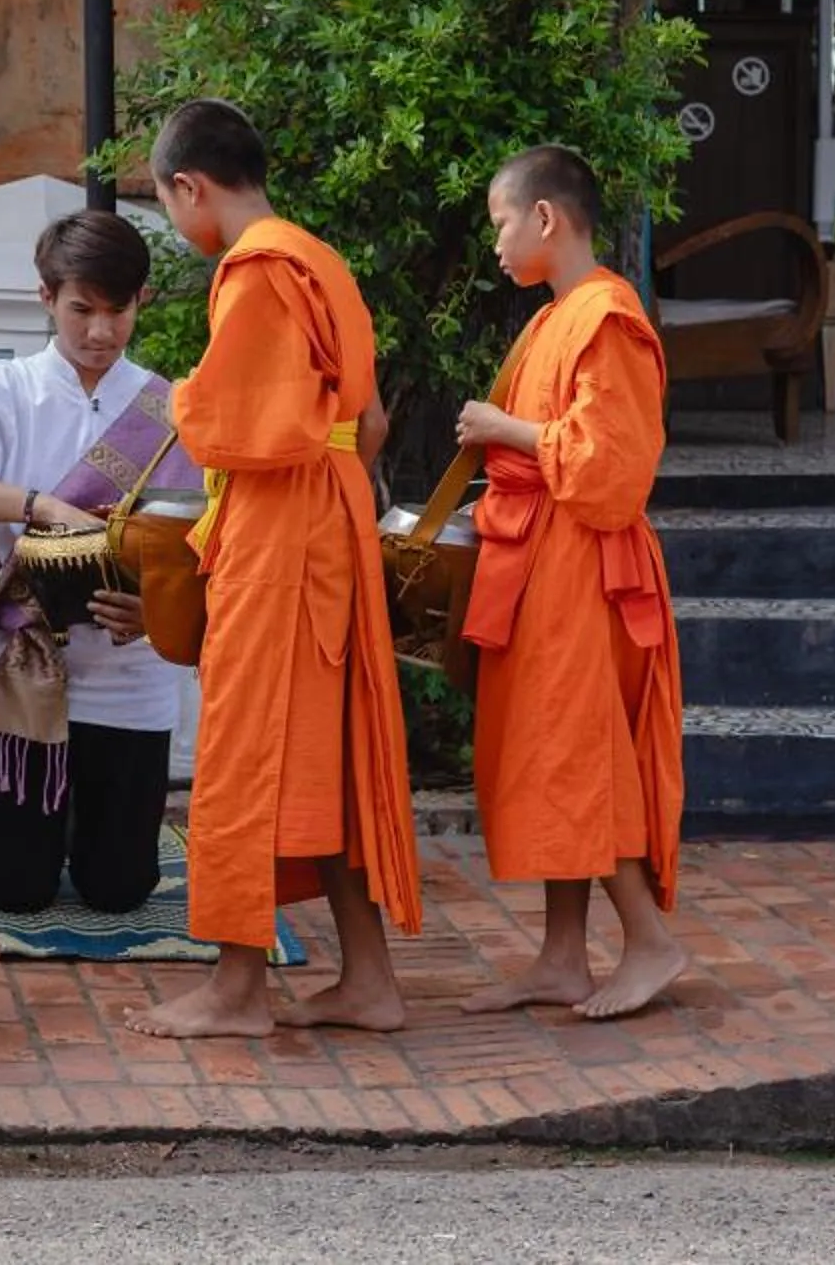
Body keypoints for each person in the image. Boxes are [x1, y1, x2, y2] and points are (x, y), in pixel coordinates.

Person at [128, 98, 423, 1039]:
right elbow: (367, 422)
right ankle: (368, 979)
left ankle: (237, 986)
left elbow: (246, 424)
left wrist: (180, 396)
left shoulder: (257, 270)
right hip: (330, 515)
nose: (177, 227)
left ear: (190, 187)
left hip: (283, 528)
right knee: (322, 759)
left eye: (168, 205)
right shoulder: (319, 260)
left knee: (247, 755)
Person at [453, 145, 688, 1021]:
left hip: (585, 570)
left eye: (501, 224)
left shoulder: (607, 317)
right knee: (550, 758)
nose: (498, 245)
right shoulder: (556, 318)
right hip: (539, 564)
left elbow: (613, 470)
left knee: (582, 759)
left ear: (545, 218)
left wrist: (508, 428)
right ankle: (560, 957)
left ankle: (652, 943)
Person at [0, 210, 200, 916]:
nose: (100, 332)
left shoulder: (172, 411)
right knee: (13, 890)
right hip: (27, 664)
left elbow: (201, 540)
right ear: (46, 297)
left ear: (142, 301)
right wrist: (39, 504)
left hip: (130, 674)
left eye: (118, 310)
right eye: (81, 309)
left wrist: (157, 614)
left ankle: (94, 830)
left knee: (120, 890)